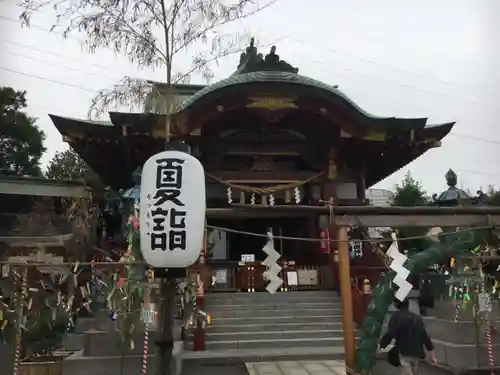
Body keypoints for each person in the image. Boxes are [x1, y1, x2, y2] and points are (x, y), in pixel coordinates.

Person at [380, 298, 436, 375]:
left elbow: (390, 333)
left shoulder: (395, 317)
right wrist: (431, 353)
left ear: (397, 305)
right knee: (413, 371)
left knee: (406, 371)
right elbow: (424, 336)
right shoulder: (417, 318)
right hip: (417, 351)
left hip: (404, 350)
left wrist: (383, 345)